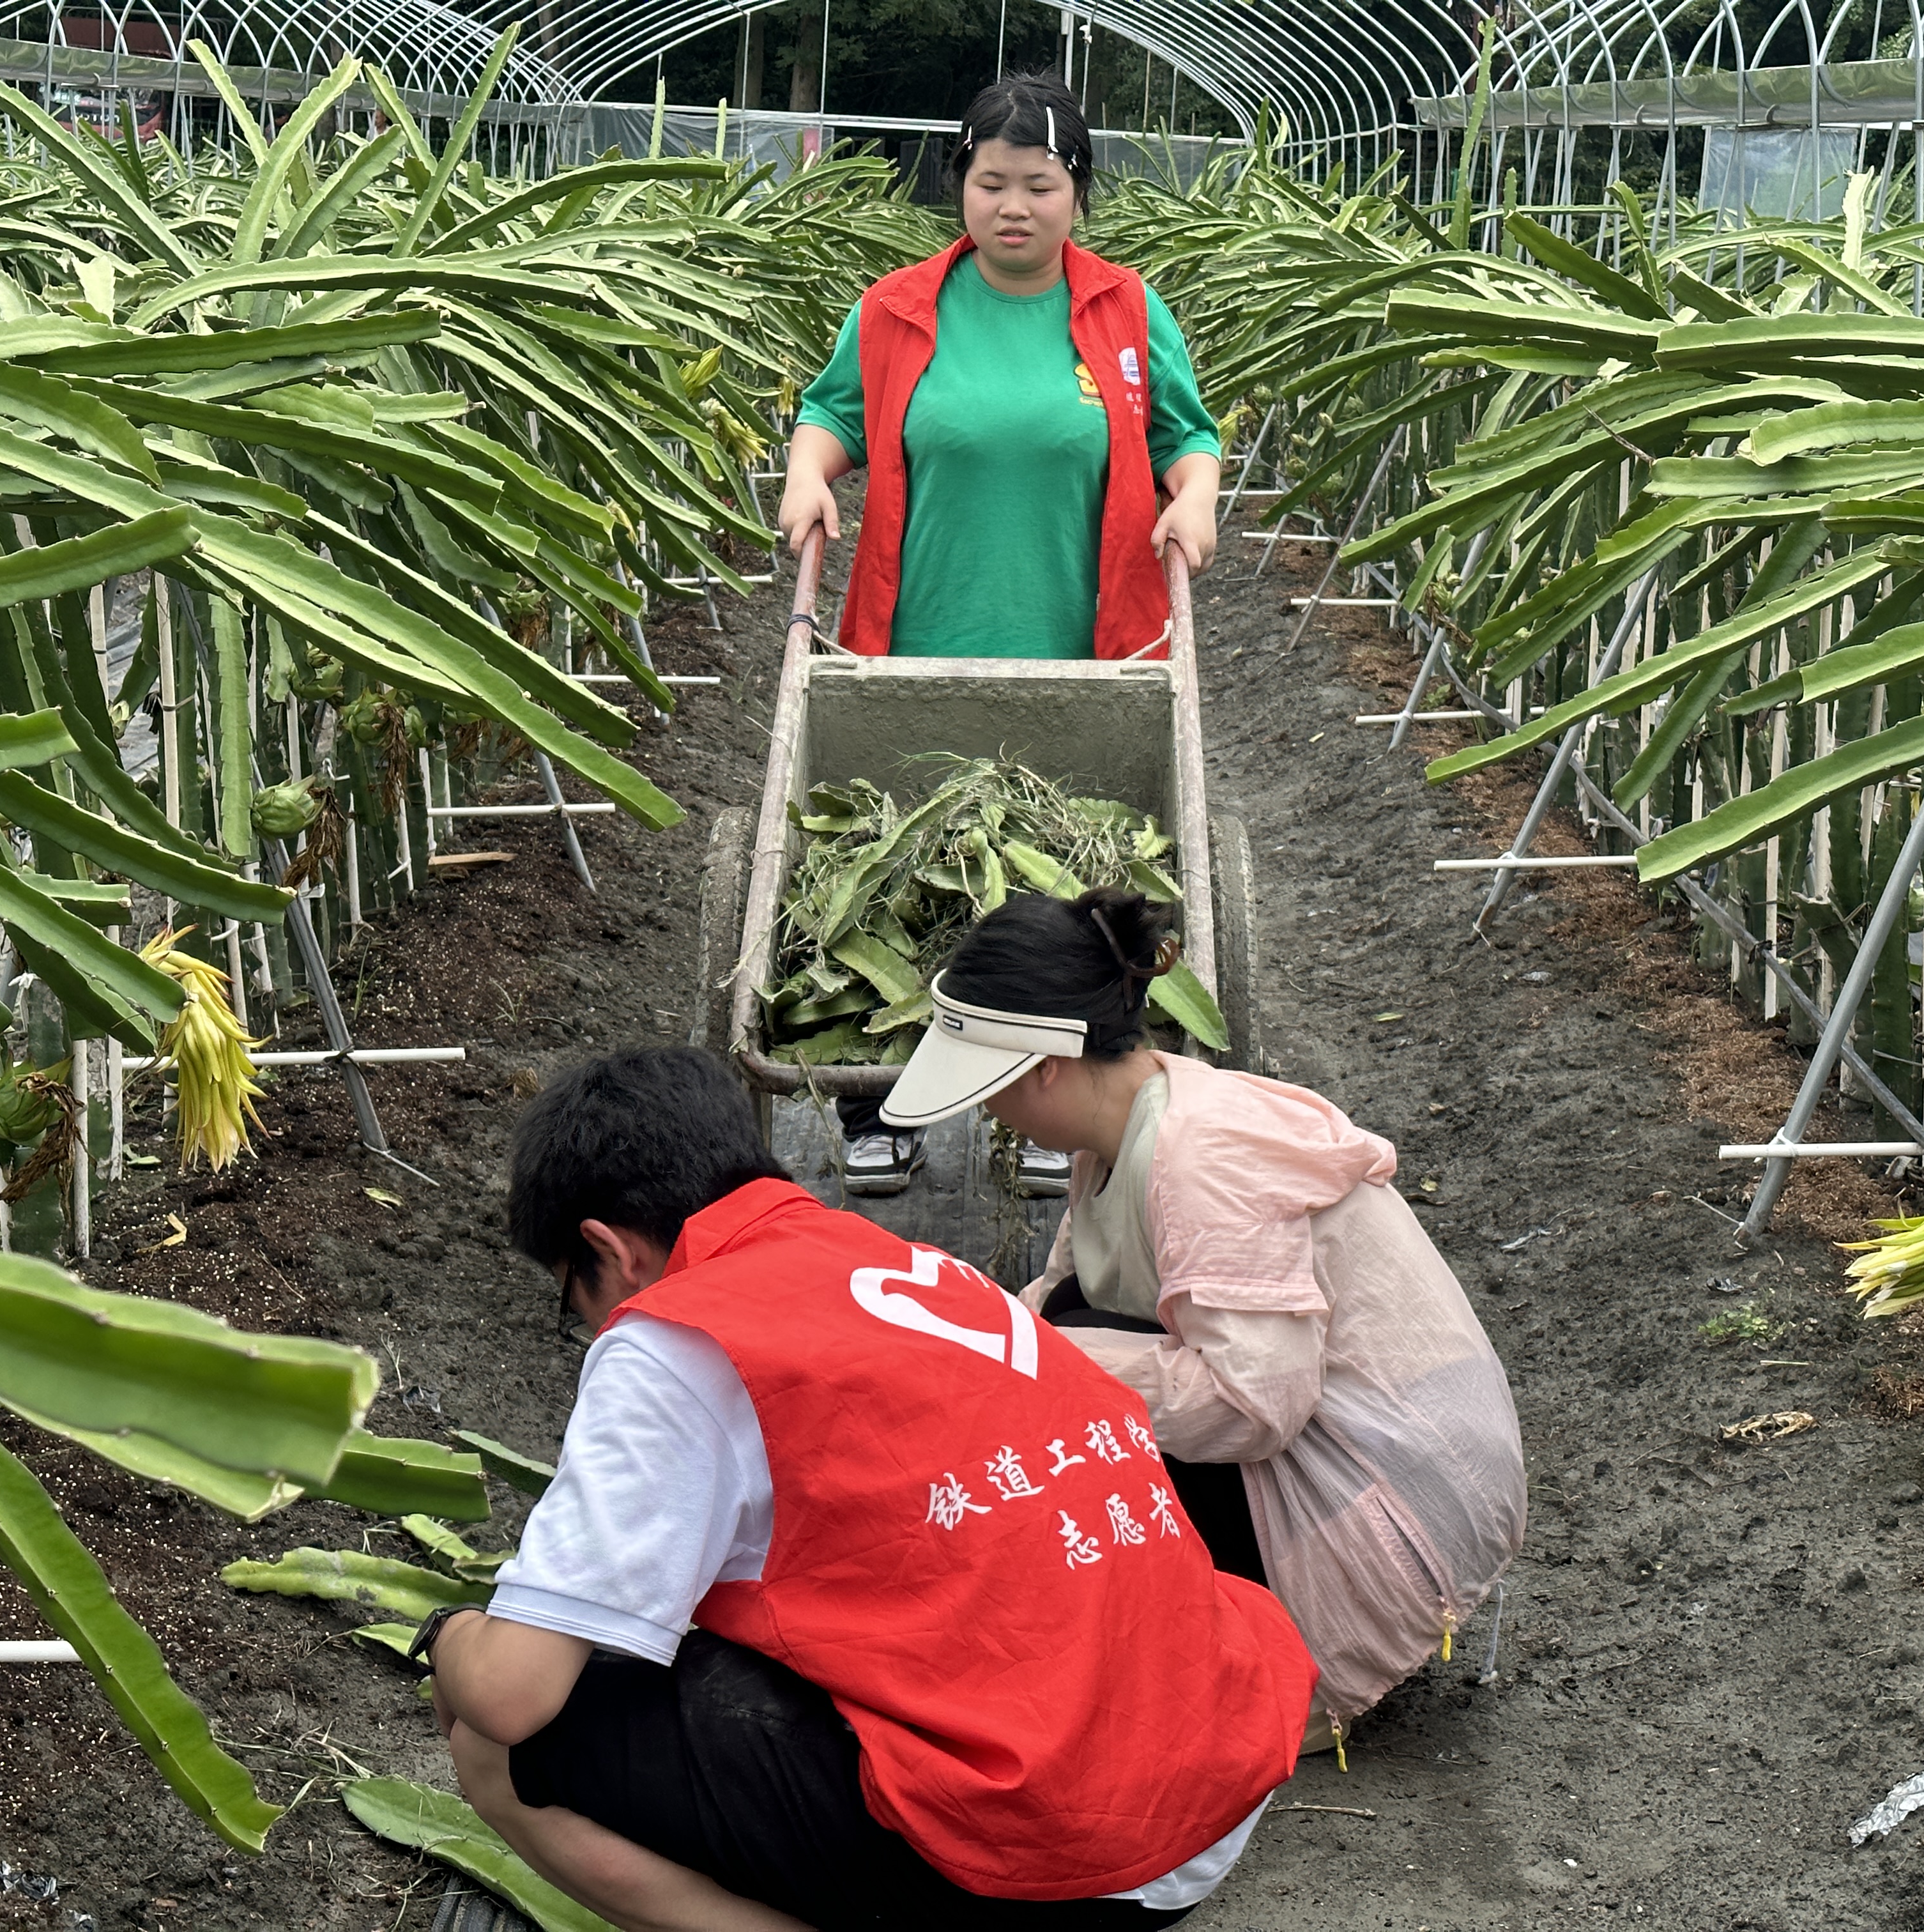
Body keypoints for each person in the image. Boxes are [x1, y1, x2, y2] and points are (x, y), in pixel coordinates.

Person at [421, 1046, 1317, 1931]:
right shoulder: (911, 1267)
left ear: (606, 1251)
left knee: (494, 1743)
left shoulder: (673, 1339)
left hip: (1047, 1859)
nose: (591, 1327)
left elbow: (511, 1691)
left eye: (572, 1302)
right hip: (1203, 1800)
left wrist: (449, 1634)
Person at [877, 890, 1527, 1745]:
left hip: (1390, 1512)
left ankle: (1269, 1655)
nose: (986, 1111)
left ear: (1043, 1068)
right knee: (1061, 1332)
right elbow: (1061, 1296)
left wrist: (1045, 1361)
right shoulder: (1126, 1124)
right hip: (1356, 1454)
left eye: (990, 1089)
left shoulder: (1199, 1155)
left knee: (1066, 1384)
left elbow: (1256, 1404)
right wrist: (972, 1342)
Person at [774, 72, 1223, 1199]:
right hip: (915, 638)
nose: (1013, 206)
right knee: (901, 864)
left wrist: (1196, 495)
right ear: (959, 187)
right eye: (989, 182)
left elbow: (1186, 433)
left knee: (1064, 871)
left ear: (1079, 193)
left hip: (1084, 645)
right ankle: (880, 1097)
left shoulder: (1126, 309)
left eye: (1039, 184)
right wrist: (809, 475)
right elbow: (831, 413)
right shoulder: (896, 309)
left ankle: (1057, 1105)